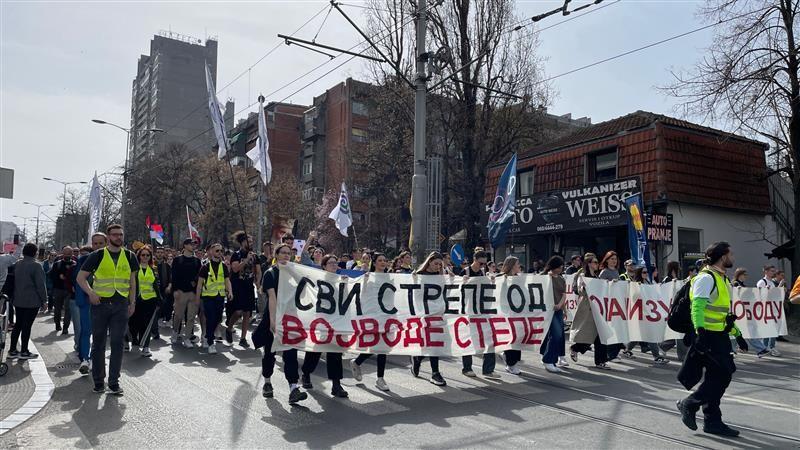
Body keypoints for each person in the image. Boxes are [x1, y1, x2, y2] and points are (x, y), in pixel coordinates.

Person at [677, 241, 747, 437]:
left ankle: (712, 420)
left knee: (717, 377)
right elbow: (697, 307)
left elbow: (721, 314)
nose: (732, 257)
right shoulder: (706, 278)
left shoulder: (722, 279)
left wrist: (737, 335)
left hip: (719, 335)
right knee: (723, 374)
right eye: (730, 254)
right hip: (707, 336)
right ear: (722, 256)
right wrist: (700, 333)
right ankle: (689, 403)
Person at [76, 224, 139, 395]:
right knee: (98, 344)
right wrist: (91, 293)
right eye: (115, 234)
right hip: (100, 305)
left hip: (121, 305)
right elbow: (81, 278)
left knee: (118, 343)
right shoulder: (97, 255)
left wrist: (132, 303)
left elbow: (133, 282)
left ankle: (113, 382)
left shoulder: (130, 256)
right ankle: (98, 382)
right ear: (108, 237)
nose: (119, 237)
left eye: (121, 234)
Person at [260, 243, 307, 403]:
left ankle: (293, 387)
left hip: (290, 319)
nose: (287, 256)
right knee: (269, 353)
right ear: (276, 255)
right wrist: (273, 321)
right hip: (273, 317)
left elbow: (307, 287)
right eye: (283, 253)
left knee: (290, 353)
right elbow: (272, 298)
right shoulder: (270, 274)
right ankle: (267, 382)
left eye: (289, 253)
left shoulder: (293, 274)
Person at [300, 254, 349, 397]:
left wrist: (347, 285)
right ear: (324, 266)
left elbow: (347, 299)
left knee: (335, 353)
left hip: (336, 323)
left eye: (335, 263)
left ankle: (336, 385)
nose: (334, 265)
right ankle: (306, 373)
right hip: (321, 322)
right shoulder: (318, 280)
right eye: (331, 263)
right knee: (315, 350)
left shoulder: (342, 281)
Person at [350, 253, 391, 391]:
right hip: (373, 315)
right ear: (374, 263)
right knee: (376, 345)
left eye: (385, 260)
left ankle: (380, 378)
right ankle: (357, 362)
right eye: (380, 260)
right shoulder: (369, 277)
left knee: (383, 347)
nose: (383, 262)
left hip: (387, 315)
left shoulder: (391, 277)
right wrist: (365, 281)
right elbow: (363, 295)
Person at [569, 253, 613, 369]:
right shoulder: (582, 275)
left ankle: (600, 361)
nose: (597, 264)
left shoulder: (597, 276)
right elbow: (580, 290)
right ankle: (576, 348)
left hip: (598, 309)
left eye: (597, 262)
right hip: (588, 309)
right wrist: (584, 287)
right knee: (588, 335)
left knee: (600, 335)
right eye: (595, 262)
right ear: (589, 264)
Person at [410, 252, 447, 386]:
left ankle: (419, 360)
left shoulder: (440, 277)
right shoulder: (419, 276)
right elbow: (415, 295)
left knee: (434, 343)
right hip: (424, 315)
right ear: (429, 262)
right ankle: (434, 372)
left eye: (440, 264)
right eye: (436, 263)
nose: (438, 266)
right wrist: (413, 280)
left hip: (437, 314)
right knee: (431, 344)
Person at [74, 232, 107, 375]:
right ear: (91, 245)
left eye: (101, 243)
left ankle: (96, 358)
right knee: (86, 331)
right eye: (95, 243)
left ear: (106, 243)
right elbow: (78, 279)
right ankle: (85, 360)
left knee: (100, 333)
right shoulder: (84, 259)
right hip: (87, 301)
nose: (98, 246)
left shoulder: (112, 260)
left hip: (106, 302)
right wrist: (87, 295)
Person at [460, 250, 496, 378]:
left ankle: (488, 369)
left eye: (484, 264)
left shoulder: (483, 274)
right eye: (480, 263)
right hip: (469, 312)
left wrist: (491, 282)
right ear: (474, 259)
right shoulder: (465, 272)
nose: (482, 266)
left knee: (490, 339)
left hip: (483, 311)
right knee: (468, 340)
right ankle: (467, 367)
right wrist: (462, 283)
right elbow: (458, 292)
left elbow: (489, 293)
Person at [621, 268, 668, 364]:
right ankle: (656, 356)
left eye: (647, 272)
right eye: (644, 272)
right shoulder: (635, 285)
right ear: (639, 273)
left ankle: (626, 350)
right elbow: (633, 298)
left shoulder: (648, 282)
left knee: (640, 335)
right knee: (651, 335)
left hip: (649, 313)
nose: (646, 274)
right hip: (641, 314)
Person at [7, 243, 45, 360]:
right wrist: (45, 300)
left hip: (18, 299)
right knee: (27, 326)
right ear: (35, 252)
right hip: (32, 300)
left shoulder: (17, 264)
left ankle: (12, 349)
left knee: (18, 324)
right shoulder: (36, 266)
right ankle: (24, 351)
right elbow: (40, 285)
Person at [196, 243, 232, 354]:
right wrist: (197, 299)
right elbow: (199, 284)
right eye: (217, 251)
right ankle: (211, 343)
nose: (220, 253)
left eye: (221, 251)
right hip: (208, 297)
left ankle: (207, 335)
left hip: (220, 297)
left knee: (217, 319)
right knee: (210, 319)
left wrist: (230, 291)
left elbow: (227, 281)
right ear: (211, 252)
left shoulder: (224, 266)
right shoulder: (205, 267)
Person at [227, 231, 261, 348]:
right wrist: (246, 260)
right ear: (242, 243)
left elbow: (258, 271)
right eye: (248, 241)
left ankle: (243, 338)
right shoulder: (236, 255)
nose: (250, 243)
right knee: (238, 311)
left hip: (248, 286)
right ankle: (229, 328)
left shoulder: (254, 255)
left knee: (247, 313)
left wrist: (258, 282)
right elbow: (235, 269)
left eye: (251, 241)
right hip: (237, 286)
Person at [127, 245, 160, 357]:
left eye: (147, 255)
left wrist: (159, 298)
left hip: (150, 300)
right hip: (137, 300)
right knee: (133, 323)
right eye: (143, 255)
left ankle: (145, 347)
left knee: (147, 325)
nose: (145, 257)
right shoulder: (134, 269)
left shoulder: (153, 268)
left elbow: (155, 285)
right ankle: (129, 339)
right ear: (139, 256)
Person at [498, 256, 528, 374]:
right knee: (512, 338)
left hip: (519, 313)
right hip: (507, 313)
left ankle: (508, 358)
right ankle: (511, 364)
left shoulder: (519, 278)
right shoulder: (502, 278)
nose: (519, 266)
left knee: (518, 338)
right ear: (511, 265)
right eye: (517, 264)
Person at [170, 238, 202, 347]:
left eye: (194, 244)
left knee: (191, 317)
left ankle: (187, 337)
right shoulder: (177, 260)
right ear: (185, 245)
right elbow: (173, 277)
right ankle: (175, 332)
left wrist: (197, 288)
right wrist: (175, 291)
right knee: (178, 315)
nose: (194, 246)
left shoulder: (197, 261)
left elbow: (200, 276)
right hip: (181, 292)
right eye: (191, 244)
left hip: (192, 293)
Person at [541, 256, 568, 373]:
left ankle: (550, 358)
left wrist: (562, 307)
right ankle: (548, 360)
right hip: (547, 310)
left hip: (557, 310)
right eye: (560, 266)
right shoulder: (544, 277)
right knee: (555, 335)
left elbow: (564, 294)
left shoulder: (561, 279)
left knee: (558, 335)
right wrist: (547, 277)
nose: (562, 268)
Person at [754, 265, 780, 357]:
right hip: (765, 309)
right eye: (771, 271)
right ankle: (766, 348)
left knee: (774, 329)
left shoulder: (772, 282)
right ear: (766, 271)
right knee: (768, 329)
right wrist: (766, 290)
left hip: (773, 308)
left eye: (774, 271)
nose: (773, 273)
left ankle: (769, 347)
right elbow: (759, 296)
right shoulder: (762, 282)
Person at [51, 246, 76, 334]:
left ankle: (65, 327)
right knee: (57, 309)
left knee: (68, 310)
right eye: (65, 253)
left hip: (69, 291)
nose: (67, 255)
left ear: (72, 254)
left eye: (69, 253)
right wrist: (59, 277)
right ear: (62, 253)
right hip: (58, 289)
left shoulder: (75, 264)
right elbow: (52, 276)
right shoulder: (57, 264)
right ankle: (57, 324)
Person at [155, 246, 172, 332]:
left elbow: (170, 279)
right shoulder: (152, 264)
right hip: (153, 290)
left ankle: (164, 318)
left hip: (164, 289)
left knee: (165, 304)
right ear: (155, 253)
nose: (160, 254)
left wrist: (169, 286)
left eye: (161, 252)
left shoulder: (167, 266)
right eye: (158, 252)